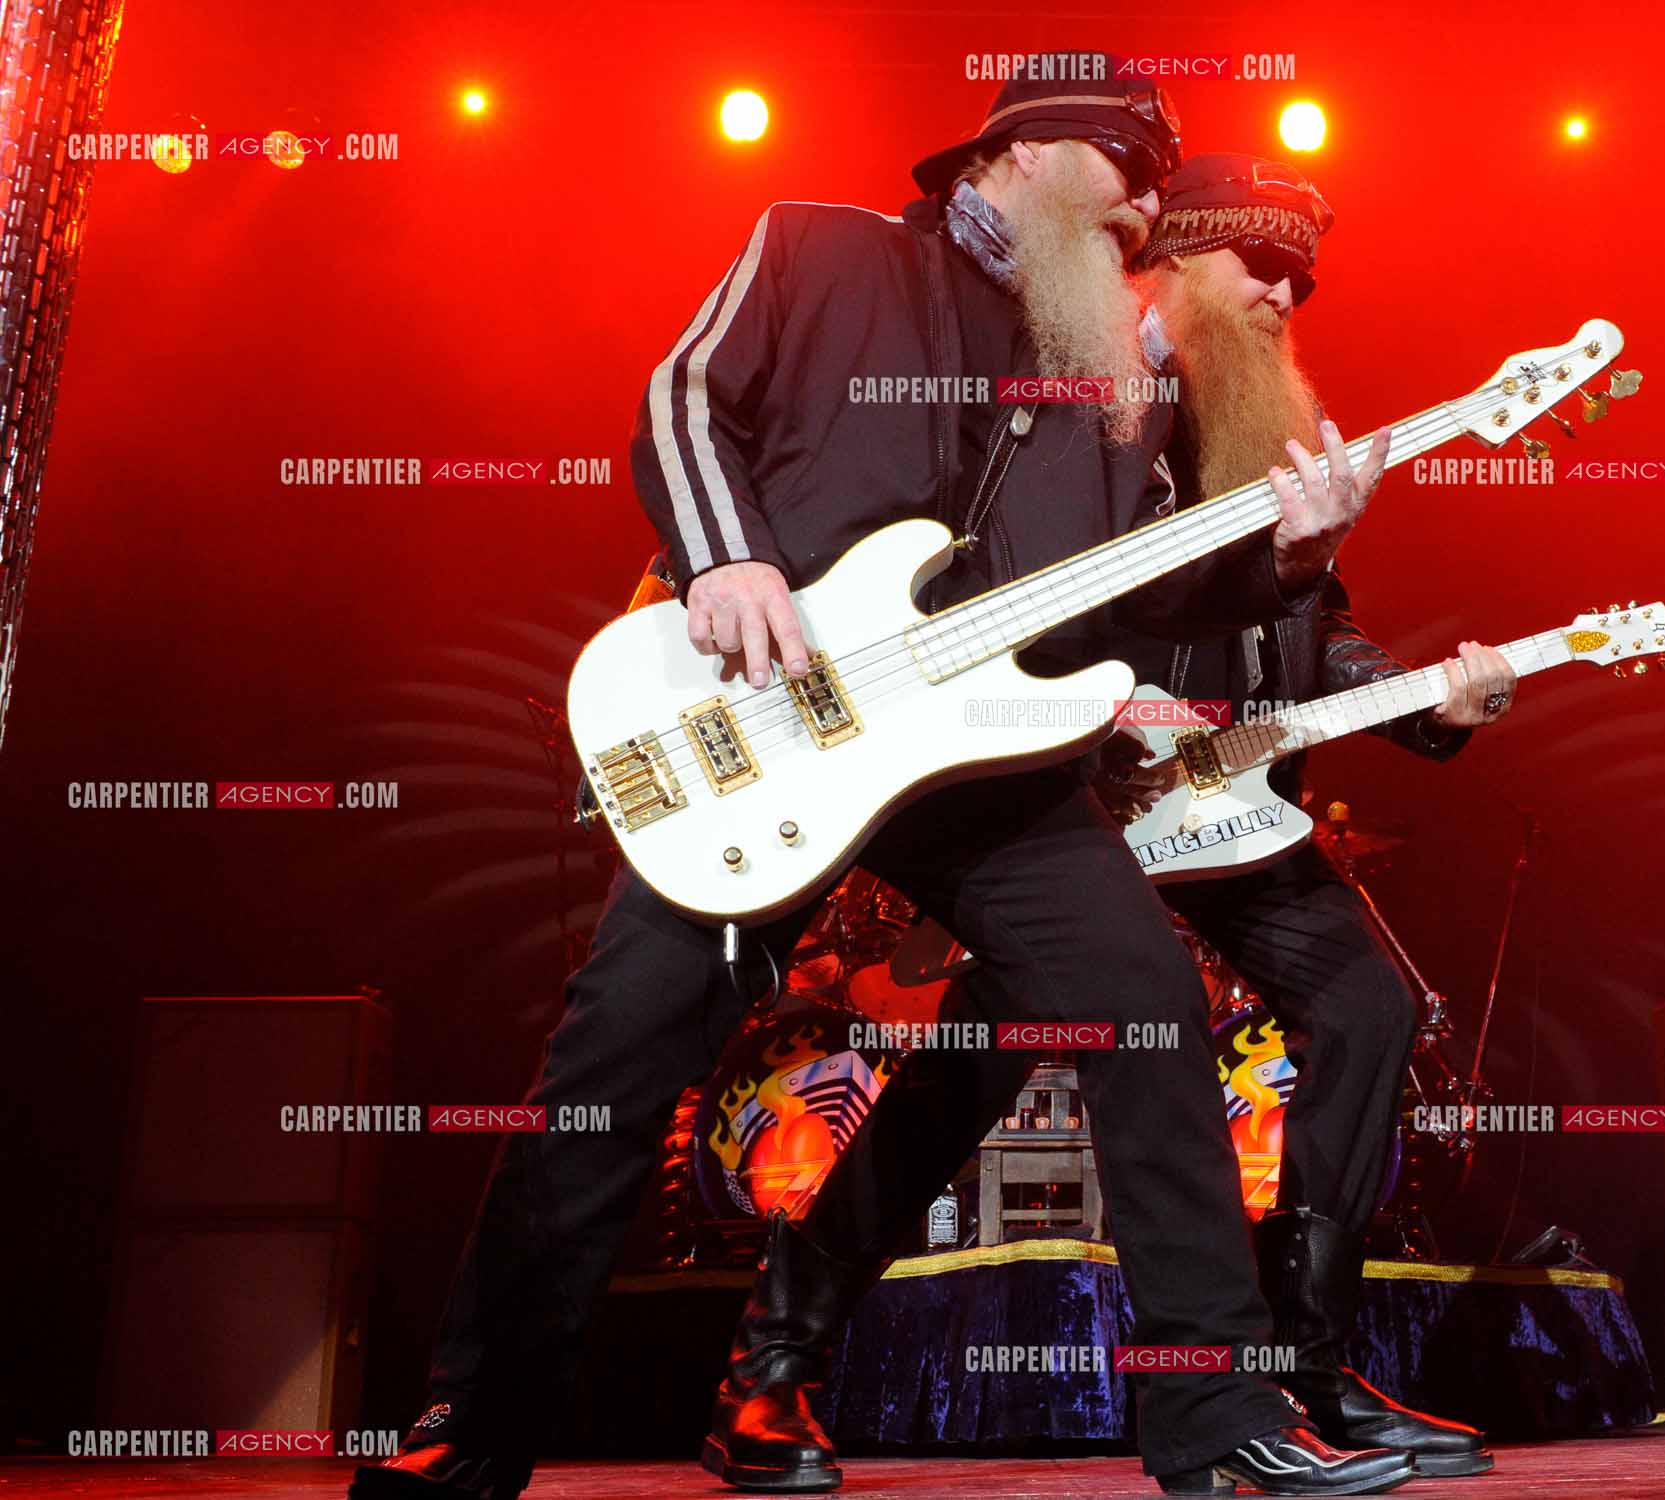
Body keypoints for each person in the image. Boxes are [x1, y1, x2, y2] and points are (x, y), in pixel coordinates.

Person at [351, 58, 1409, 1500]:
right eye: (1130, 173)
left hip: (980, 760)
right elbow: (683, 399)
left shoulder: (1108, 374)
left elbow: (1141, 599)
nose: (1152, 209)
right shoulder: (817, 247)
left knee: (1145, 1006)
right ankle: (471, 1426)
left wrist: (1287, 551)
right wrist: (727, 556)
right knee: (612, 1068)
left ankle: (1212, 1419)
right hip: (770, 723)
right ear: (1023, 153)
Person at [704, 155, 1514, 1492]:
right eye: (1257, 266)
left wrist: (1437, 699)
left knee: (1369, 1011)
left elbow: (1326, 633)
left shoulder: (1273, 427)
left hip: (1234, 808)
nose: (1282, 294)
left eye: (1301, 280)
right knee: (963, 1081)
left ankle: (1300, 1372)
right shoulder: (1049, 387)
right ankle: (770, 1368)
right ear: (1175, 263)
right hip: (1072, 802)